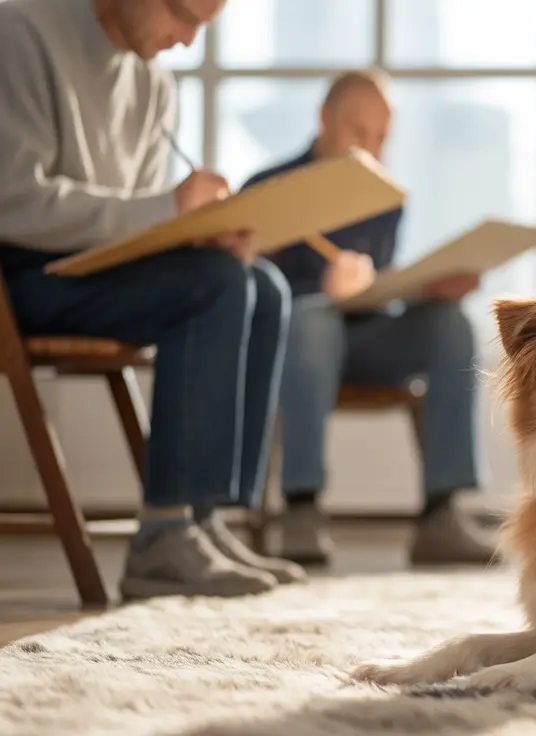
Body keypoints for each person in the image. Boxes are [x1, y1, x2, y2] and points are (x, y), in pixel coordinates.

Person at [0, 0, 307, 599]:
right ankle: (165, 535)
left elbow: (134, 228)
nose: (188, 41)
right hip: (22, 277)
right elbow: (13, 199)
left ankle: (203, 517)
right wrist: (168, 212)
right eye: (183, 16)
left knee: (263, 285)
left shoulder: (152, 79)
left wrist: (197, 229)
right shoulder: (20, 32)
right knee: (216, 282)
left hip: (100, 273)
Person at [242, 69, 496, 568]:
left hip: (367, 339)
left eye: (381, 137)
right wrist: (319, 289)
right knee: (313, 318)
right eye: (359, 133)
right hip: (299, 349)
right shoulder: (265, 189)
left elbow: (377, 289)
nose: (372, 148)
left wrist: (426, 286)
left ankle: (441, 513)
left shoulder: (385, 198)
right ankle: (301, 506)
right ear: (323, 119)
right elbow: (250, 294)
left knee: (451, 322)